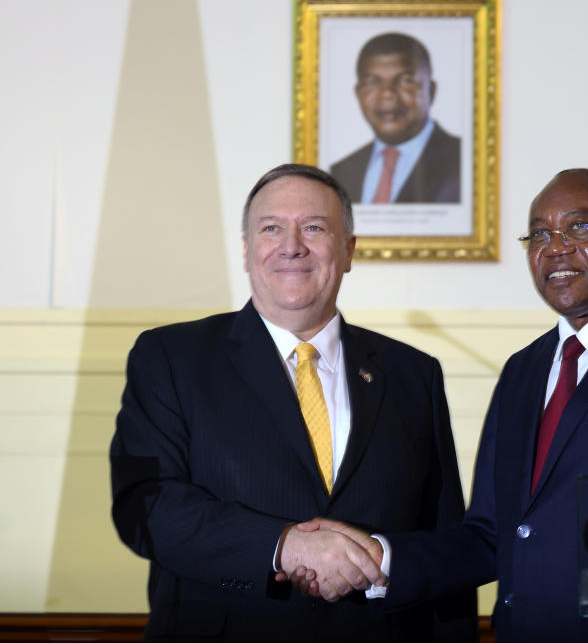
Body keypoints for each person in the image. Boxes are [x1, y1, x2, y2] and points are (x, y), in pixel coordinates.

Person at [286, 168, 588, 642]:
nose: (554, 247)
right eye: (538, 234)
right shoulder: (523, 370)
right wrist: (377, 557)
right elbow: (492, 534)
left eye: (580, 227)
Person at [109, 163, 475, 641]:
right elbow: (146, 507)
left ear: (348, 251)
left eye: (315, 228)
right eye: (271, 228)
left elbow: (444, 541)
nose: (292, 245)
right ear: (246, 250)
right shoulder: (171, 358)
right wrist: (283, 547)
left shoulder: (412, 373)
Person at [330, 32, 461, 204]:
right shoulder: (341, 172)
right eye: (373, 82)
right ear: (358, 93)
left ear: (431, 90)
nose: (388, 93)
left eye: (405, 81)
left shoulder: (463, 162)